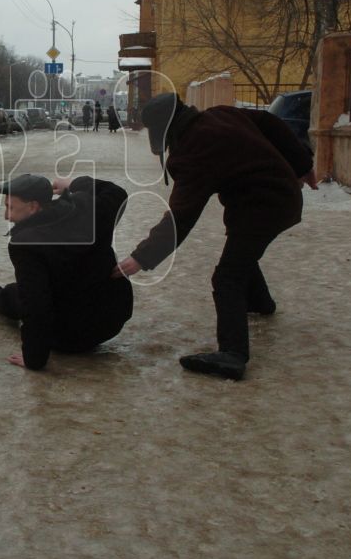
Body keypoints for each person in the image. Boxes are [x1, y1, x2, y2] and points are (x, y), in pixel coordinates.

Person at [113, 93, 317, 381]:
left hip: (263, 207)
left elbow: (180, 217)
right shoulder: (221, 114)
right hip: (277, 198)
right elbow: (270, 123)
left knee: (227, 277)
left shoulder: (193, 151)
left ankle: (233, 354)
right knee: (241, 251)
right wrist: (303, 165)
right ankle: (260, 302)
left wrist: (141, 258)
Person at [0, 173, 134, 371]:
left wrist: (34, 359)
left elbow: (36, 306)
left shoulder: (26, 244)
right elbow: (117, 193)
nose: (6, 216)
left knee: (21, 294)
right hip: (112, 320)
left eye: (10, 208)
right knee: (37, 288)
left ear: (33, 206)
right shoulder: (87, 207)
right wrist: (74, 183)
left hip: (67, 336)